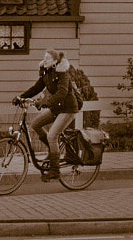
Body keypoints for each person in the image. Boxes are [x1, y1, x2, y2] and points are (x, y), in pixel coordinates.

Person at [16, 49, 80, 180]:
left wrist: (45, 102)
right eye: (44, 57)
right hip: (56, 108)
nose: (44, 60)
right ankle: (52, 151)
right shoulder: (46, 72)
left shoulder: (63, 74)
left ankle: (55, 171)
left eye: (48, 58)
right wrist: (21, 97)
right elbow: (37, 87)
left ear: (55, 62)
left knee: (52, 136)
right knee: (35, 124)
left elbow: (62, 93)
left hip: (68, 109)